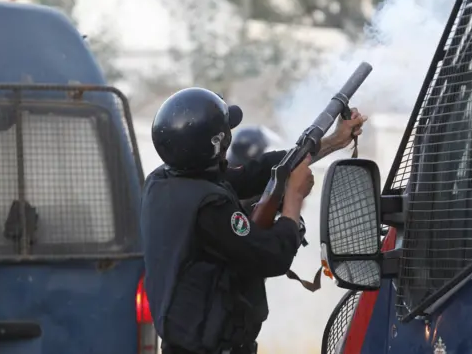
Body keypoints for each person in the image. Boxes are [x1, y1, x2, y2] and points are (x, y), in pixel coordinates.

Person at [140, 87, 367, 354]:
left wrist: (332, 141)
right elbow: (272, 256)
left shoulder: (165, 181)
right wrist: (294, 199)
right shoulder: (211, 207)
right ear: (217, 144)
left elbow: (257, 172)